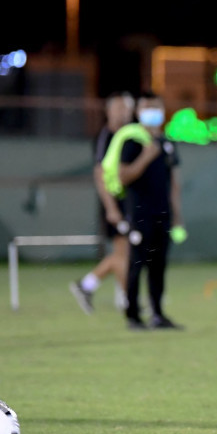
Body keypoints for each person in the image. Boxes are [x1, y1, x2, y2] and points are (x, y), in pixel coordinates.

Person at [119, 92, 185, 330]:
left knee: (159, 265)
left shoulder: (167, 143)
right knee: (137, 263)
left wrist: (177, 214)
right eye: (147, 108)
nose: (152, 112)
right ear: (138, 112)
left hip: (163, 214)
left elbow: (174, 182)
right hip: (139, 214)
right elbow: (123, 176)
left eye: (156, 107)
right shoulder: (133, 142)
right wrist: (145, 158)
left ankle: (158, 314)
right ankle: (133, 315)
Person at [70, 92, 135, 314]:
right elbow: (99, 174)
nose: (123, 113)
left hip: (129, 203)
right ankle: (128, 300)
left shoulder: (129, 135)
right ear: (108, 111)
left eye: (126, 109)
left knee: (127, 254)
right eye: (118, 108)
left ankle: (89, 286)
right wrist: (111, 208)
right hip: (115, 204)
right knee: (122, 254)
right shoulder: (106, 136)